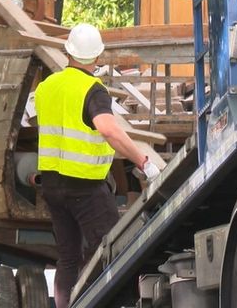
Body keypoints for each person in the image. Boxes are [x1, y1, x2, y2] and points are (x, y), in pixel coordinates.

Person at [35, 23, 161, 308]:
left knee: (68, 259)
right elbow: (108, 130)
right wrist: (142, 161)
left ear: (68, 52)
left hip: (53, 186)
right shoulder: (93, 90)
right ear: (97, 57)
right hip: (84, 187)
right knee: (113, 252)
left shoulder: (46, 88)